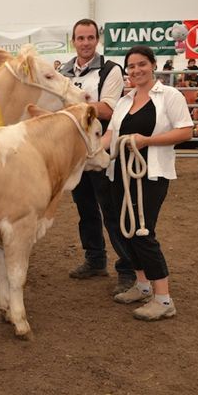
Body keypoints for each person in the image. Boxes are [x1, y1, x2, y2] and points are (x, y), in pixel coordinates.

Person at [102, 45, 193, 320]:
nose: (136, 70)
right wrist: (88, 152)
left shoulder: (170, 96)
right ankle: (142, 285)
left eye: (141, 64)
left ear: (153, 64)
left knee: (142, 231)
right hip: (120, 173)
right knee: (124, 230)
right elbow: (110, 135)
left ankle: (163, 299)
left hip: (150, 174)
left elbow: (185, 131)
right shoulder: (124, 101)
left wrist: (147, 141)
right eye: (131, 66)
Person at [59, 18, 135, 294]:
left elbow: (109, 109)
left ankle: (128, 269)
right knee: (85, 208)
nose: (86, 43)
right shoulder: (64, 71)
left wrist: (74, 104)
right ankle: (95, 259)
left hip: (102, 147)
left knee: (111, 209)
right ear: (73, 41)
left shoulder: (110, 69)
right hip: (75, 150)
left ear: (97, 40)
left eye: (90, 37)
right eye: (81, 38)